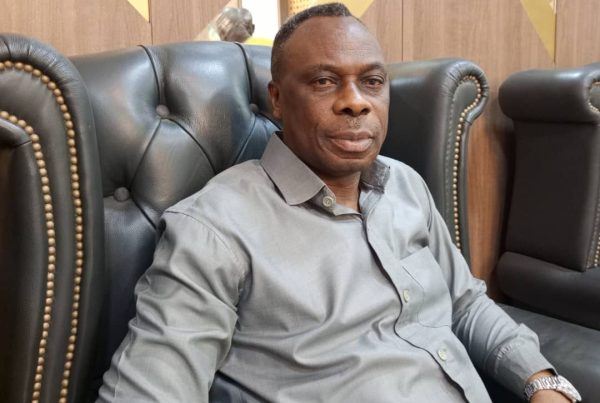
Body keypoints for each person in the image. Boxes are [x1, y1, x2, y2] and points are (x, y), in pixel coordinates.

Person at [98, 3, 580, 402]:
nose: (356, 102)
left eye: (372, 82)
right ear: (277, 100)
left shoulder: (406, 185)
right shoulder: (215, 228)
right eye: (324, 81)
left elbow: (465, 302)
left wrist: (542, 381)